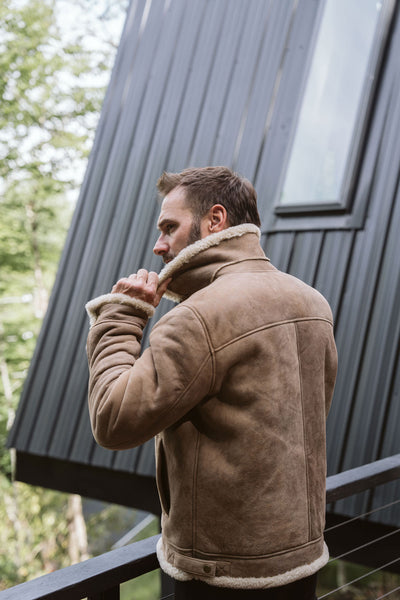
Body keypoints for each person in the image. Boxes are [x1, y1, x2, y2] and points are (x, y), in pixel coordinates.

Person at [86, 166, 337, 599]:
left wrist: (121, 316)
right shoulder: (312, 300)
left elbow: (112, 420)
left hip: (221, 575)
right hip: (300, 561)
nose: (158, 244)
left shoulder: (199, 316)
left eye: (169, 227)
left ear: (215, 220)